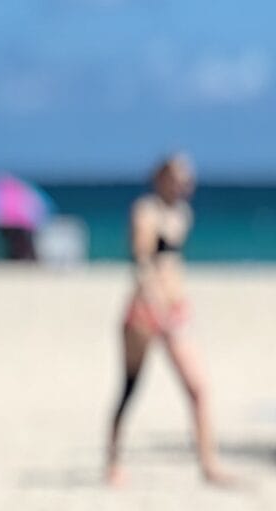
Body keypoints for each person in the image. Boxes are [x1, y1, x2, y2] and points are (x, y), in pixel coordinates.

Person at [105, 152, 232, 487]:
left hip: (176, 311)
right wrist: (155, 303)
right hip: (146, 311)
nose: (185, 184)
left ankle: (209, 463)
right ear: (162, 177)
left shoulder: (182, 214)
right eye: (179, 177)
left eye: (188, 178)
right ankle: (113, 460)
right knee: (130, 387)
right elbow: (142, 261)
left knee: (198, 388)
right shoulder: (146, 212)